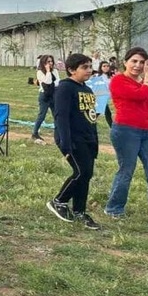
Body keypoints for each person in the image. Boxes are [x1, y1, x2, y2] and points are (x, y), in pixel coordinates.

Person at [104, 47, 148, 227]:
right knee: (126, 170)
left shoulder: (144, 84)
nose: (138, 65)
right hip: (126, 130)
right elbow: (139, 96)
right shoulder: (118, 80)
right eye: (134, 61)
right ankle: (114, 207)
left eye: (142, 62)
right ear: (125, 62)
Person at [46, 53, 102, 230]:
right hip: (72, 138)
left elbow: (91, 116)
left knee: (87, 175)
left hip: (87, 139)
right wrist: (65, 142)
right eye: (84, 67)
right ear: (71, 70)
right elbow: (60, 116)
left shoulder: (87, 89)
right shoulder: (65, 88)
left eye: (90, 66)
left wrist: (94, 140)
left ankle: (80, 210)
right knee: (81, 172)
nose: (89, 70)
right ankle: (59, 200)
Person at [31, 55, 59, 144]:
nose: (50, 63)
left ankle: (58, 134)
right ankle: (35, 133)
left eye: (51, 61)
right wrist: (47, 71)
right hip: (44, 96)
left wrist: (51, 82)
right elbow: (47, 82)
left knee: (57, 115)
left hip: (54, 95)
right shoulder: (40, 72)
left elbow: (58, 82)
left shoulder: (55, 71)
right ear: (43, 63)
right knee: (42, 115)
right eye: (48, 62)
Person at [96, 61, 116, 126]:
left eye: (107, 66)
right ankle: (112, 127)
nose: (106, 67)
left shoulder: (111, 76)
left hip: (107, 96)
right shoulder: (97, 76)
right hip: (100, 96)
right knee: (107, 113)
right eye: (104, 66)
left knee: (101, 112)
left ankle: (88, 122)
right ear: (101, 67)